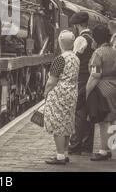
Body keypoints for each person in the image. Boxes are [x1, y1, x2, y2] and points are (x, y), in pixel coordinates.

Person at [44, 30, 80, 165]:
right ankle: (64, 154)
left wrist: (46, 92)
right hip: (72, 94)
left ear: (60, 43)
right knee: (66, 123)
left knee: (58, 125)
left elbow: (52, 80)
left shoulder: (60, 59)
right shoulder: (76, 58)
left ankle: (59, 156)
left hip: (59, 94)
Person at [86, 24, 116, 161]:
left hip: (103, 88)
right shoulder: (114, 51)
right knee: (112, 119)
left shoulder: (98, 52)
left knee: (104, 121)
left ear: (96, 38)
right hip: (114, 85)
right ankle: (110, 148)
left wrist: (87, 91)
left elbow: (95, 75)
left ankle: (104, 151)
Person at [69, 11, 95, 155]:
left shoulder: (80, 39)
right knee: (88, 112)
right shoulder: (92, 38)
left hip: (81, 78)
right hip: (90, 78)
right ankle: (87, 145)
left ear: (78, 25)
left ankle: (75, 145)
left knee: (79, 112)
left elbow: (74, 59)